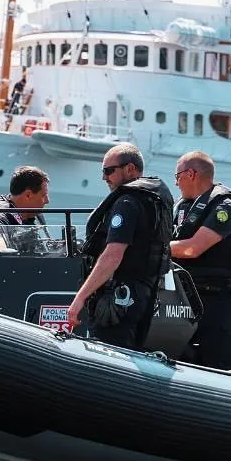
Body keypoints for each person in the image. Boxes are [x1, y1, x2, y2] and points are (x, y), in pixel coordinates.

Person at [67, 143, 173, 350]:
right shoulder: (156, 200)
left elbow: (113, 255)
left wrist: (80, 298)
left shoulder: (127, 202)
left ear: (130, 169)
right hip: (145, 293)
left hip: (119, 298)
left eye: (109, 171)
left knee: (109, 355)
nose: (104, 177)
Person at [169, 151, 231, 369]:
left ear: (191, 174)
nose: (176, 183)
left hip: (216, 300)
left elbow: (192, 249)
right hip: (183, 299)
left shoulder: (224, 208)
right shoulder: (180, 207)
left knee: (217, 364)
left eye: (177, 176)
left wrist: (154, 250)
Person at [0, 166, 50, 256]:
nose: (47, 200)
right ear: (28, 195)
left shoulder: (34, 213)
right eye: (43, 195)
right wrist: (3, 248)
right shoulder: (0, 214)